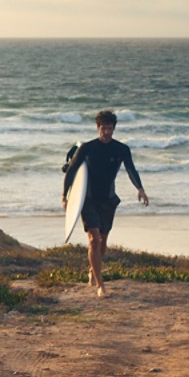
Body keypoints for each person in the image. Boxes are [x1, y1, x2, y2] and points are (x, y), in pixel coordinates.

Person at [61, 109, 149, 298]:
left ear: (114, 128)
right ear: (97, 127)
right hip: (89, 199)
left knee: (103, 241)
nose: (107, 132)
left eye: (110, 128)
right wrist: (65, 196)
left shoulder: (121, 149)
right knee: (94, 239)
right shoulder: (87, 148)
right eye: (103, 128)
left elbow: (131, 169)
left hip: (108, 200)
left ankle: (94, 270)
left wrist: (140, 188)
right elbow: (71, 171)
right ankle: (101, 285)